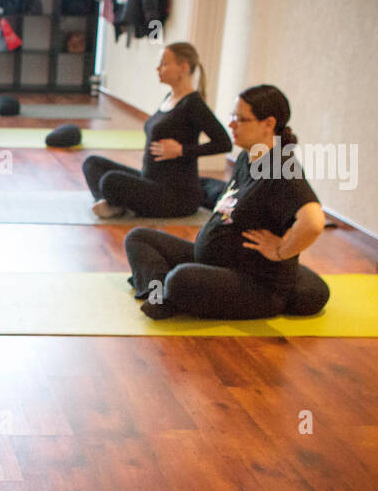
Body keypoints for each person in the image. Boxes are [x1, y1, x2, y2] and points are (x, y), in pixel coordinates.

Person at [124, 84, 330, 320]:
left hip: (255, 286)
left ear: (269, 124)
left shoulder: (281, 167)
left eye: (241, 119)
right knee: (139, 238)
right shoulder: (247, 156)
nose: (231, 124)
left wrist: (281, 251)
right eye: (233, 116)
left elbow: (313, 222)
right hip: (215, 265)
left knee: (182, 278)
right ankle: (161, 296)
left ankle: (167, 291)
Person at [82, 42, 232, 218]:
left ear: (183, 68)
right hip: (151, 182)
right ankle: (113, 204)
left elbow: (224, 143)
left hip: (177, 196)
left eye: (164, 64)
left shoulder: (193, 104)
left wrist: (181, 150)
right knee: (92, 164)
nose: (158, 68)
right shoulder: (169, 97)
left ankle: (116, 203)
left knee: (110, 181)